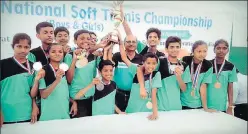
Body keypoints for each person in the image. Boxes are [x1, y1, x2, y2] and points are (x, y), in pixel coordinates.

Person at [138, 36, 190, 111]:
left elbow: (184, 89)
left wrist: (179, 77)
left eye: (177, 47)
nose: (175, 49)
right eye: (172, 47)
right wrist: (142, 88)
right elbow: (140, 69)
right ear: (166, 49)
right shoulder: (160, 61)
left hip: (177, 107)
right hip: (160, 107)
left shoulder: (184, 65)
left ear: (180, 49)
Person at [0, 33, 42, 125]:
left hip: (26, 113)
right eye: (19, 46)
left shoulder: (33, 66)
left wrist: (34, 106)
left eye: (26, 47)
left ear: (30, 48)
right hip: (5, 113)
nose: (23, 50)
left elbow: (32, 93)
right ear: (13, 46)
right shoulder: (2, 64)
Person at [64, 30, 104, 117]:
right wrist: (74, 60)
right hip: (77, 98)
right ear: (75, 41)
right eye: (82, 38)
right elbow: (69, 79)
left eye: (88, 38)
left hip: (91, 97)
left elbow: (104, 70)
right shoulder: (70, 56)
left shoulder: (93, 55)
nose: (85, 41)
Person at [36, 43, 71, 121]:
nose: (57, 54)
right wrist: (57, 80)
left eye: (60, 52)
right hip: (49, 115)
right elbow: (44, 95)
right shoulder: (43, 71)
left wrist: (73, 101)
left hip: (64, 113)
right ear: (48, 54)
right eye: (53, 52)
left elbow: (64, 90)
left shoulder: (64, 69)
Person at [180, 40, 216, 112]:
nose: (202, 54)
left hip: (197, 104)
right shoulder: (185, 60)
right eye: (199, 51)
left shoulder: (208, 65)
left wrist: (205, 107)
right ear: (193, 51)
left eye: (204, 51)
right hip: (181, 102)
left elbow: (203, 87)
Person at [113, 34, 143, 112]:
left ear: (137, 44)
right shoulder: (117, 56)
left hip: (135, 95)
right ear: (124, 43)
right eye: (128, 42)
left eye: (133, 42)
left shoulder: (142, 58)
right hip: (118, 94)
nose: (131, 44)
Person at [207, 39, 238, 114]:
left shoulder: (231, 66)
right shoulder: (207, 65)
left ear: (227, 50)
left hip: (221, 106)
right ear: (214, 50)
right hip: (205, 105)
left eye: (224, 48)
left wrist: (230, 106)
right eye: (218, 48)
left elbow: (230, 88)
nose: (221, 50)